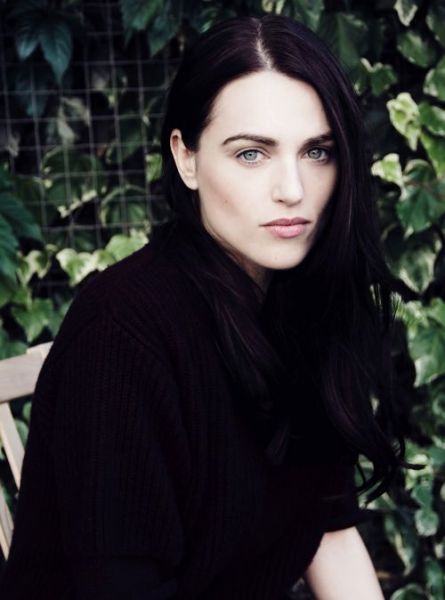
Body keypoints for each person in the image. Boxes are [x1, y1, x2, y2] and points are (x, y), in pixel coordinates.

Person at [0, 14, 415, 600]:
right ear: (186, 158)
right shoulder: (120, 333)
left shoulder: (301, 303)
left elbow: (330, 532)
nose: (293, 189)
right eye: (252, 154)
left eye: (317, 151)